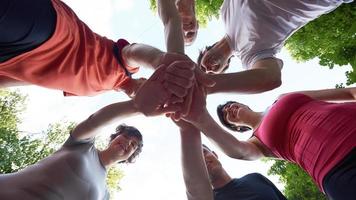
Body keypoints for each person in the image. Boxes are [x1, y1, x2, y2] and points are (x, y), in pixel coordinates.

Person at [0, 67, 182, 199]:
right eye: (126, 137)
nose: (127, 143)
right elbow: (97, 120)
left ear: (130, 157)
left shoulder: (104, 195)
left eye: (133, 146)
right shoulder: (82, 145)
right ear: (114, 137)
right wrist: (136, 107)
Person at [182, 86, 356, 199]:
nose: (229, 109)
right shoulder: (257, 143)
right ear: (237, 128)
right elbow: (238, 151)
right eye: (227, 116)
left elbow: (349, 92)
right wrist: (200, 117)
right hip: (336, 167)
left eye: (230, 105)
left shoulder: (282, 98)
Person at [0, 0, 196, 100]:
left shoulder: (94, 91)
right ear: (146, 79)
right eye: (157, 88)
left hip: (12, 59)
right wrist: (159, 60)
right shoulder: (126, 69)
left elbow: (38, 80)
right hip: (52, 32)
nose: (153, 94)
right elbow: (134, 52)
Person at [177, 0, 353, 94]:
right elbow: (271, 77)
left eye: (202, 66)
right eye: (211, 74)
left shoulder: (224, 12)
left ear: (206, 51)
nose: (207, 69)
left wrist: (187, 6)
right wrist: (205, 86)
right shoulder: (250, 55)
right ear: (225, 67)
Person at [202, 144, 286, 200]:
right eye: (195, 160)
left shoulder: (256, 178)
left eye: (204, 152)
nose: (202, 158)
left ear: (215, 154)